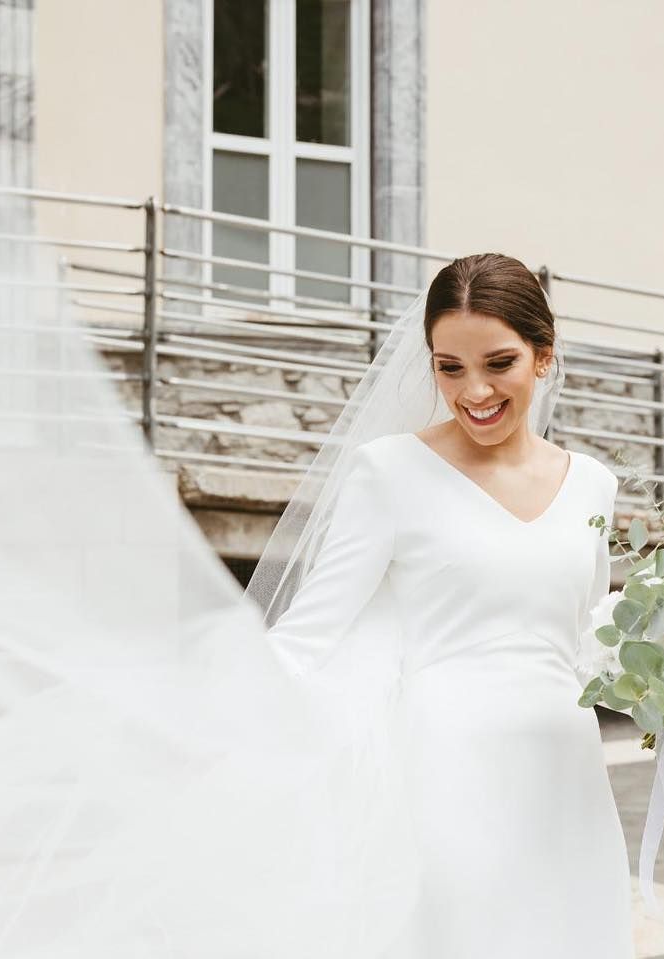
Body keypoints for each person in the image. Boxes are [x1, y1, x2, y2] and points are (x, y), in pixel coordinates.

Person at [253, 253, 635, 957]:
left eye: (499, 362)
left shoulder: (593, 486)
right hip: (447, 777)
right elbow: (306, 639)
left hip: (568, 781)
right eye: (449, 367)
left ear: (544, 356)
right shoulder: (389, 472)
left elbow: (584, 638)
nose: (475, 390)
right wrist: (206, 715)